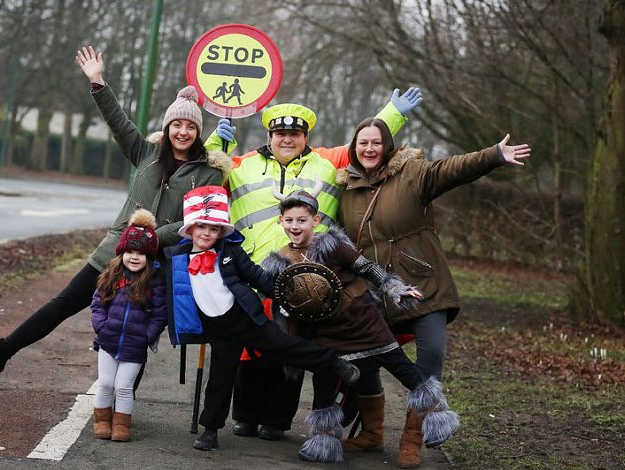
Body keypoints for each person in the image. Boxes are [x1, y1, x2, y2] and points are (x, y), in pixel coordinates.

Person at [0, 45, 232, 376]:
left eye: (190, 127)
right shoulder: (146, 153)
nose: (182, 132)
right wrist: (97, 81)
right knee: (62, 304)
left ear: (198, 131)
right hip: (114, 253)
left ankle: (122, 408)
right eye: (176, 124)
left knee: (133, 331)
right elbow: (118, 121)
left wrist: (152, 237)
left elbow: (195, 220)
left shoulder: (207, 172)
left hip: (157, 264)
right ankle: (1, 353)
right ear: (167, 128)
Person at [218, 89, 422, 441]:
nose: (287, 139)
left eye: (294, 134)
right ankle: (246, 416)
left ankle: (276, 421)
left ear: (305, 138)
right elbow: (203, 168)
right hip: (253, 275)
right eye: (280, 134)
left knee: (290, 350)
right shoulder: (241, 163)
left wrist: (393, 112)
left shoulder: (327, 162)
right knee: (250, 352)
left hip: (308, 282)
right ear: (269, 136)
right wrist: (216, 142)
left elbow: (364, 145)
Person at [336, 117, 531, 467]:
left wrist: (494, 155)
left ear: (388, 147)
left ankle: (413, 438)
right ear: (354, 147)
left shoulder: (413, 174)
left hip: (423, 285)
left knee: (431, 357)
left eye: (376, 142)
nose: (369, 149)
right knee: (364, 355)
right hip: (376, 290)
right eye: (362, 143)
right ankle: (371, 434)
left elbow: (453, 169)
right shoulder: (345, 189)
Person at [263, 189, 459, 463]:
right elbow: (281, 300)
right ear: (280, 221)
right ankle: (323, 442)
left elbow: (367, 267)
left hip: (363, 323)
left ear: (315, 220)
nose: (295, 226)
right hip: (326, 333)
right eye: (289, 220)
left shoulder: (333, 244)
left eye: (302, 220)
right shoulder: (280, 261)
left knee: (403, 369)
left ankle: (439, 418)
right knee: (325, 383)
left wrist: (393, 287)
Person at [161, 186, 361, 454]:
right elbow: (163, 287)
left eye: (214, 229)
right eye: (201, 227)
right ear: (190, 229)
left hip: (245, 318)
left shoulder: (231, 252)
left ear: (221, 231)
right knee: (220, 378)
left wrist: (290, 299)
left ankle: (332, 362)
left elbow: (259, 278)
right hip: (217, 328)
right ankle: (210, 430)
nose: (207, 233)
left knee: (283, 347)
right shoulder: (176, 258)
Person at [90, 208, 166, 442]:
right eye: (130, 252)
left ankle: (121, 424)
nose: (134, 257)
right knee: (105, 383)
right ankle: (102, 420)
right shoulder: (113, 275)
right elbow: (97, 304)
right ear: (122, 252)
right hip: (108, 340)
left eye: (141, 254)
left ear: (149, 257)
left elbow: (160, 314)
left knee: (123, 387)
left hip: (135, 345)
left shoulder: (154, 282)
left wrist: (146, 336)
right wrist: (101, 327)